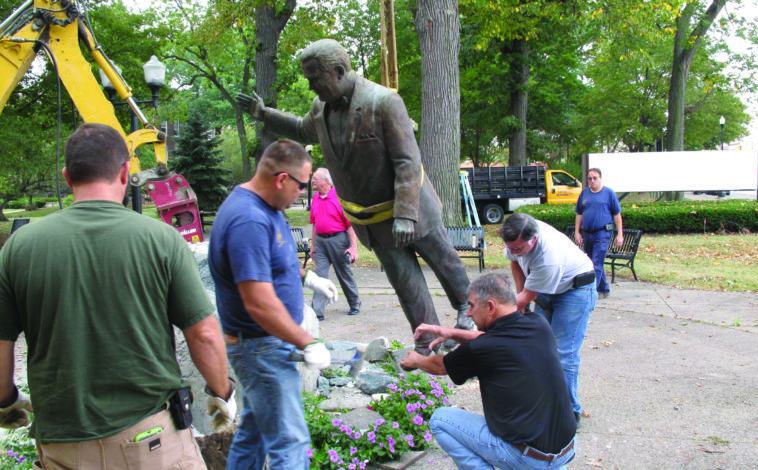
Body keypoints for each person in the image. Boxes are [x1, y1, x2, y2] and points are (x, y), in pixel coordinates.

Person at [0, 123, 236, 469]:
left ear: (68, 177)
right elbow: (202, 333)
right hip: (151, 443)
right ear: (125, 172)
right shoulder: (161, 240)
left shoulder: (19, 248)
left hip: (63, 447)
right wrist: (222, 393)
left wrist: (7, 400)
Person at [236, 38, 473, 354]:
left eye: (314, 78)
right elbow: (300, 129)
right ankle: (429, 342)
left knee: (446, 263)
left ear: (337, 71)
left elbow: (408, 162)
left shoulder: (384, 102)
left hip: (413, 211)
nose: (310, 86)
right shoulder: (320, 109)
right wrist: (263, 114)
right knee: (406, 283)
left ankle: (470, 314)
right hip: (373, 221)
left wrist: (404, 213)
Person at [207, 140, 338, 470]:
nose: (303, 194)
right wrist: (308, 341)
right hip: (259, 348)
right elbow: (259, 303)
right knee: (291, 442)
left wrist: (306, 279)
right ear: (282, 179)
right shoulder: (248, 219)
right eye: (301, 186)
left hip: (264, 346)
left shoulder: (269, 208)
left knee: (254, 436)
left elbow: (274, 265)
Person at [400, 273, 577, 470]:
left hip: (529, 458)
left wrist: (417, 360)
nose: (467, 314)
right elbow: (493, 338)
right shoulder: (538, 324)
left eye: (472, 306)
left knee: (440, 420)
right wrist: (452, 332)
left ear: (491, 307)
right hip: (566, 450)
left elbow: (441, 366)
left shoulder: (481, 349)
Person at [500, 213, 597, 423]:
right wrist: (520, 300)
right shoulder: (517, 235)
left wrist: (507, 310)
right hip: (548, 287)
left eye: (518, 249)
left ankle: (570, 413)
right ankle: (545, 402)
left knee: (563, 352)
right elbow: (515, 264)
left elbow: (526, 297)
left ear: (532, 240)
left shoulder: (548, 258)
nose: (514, 252)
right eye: (511, 248)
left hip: (576, 290)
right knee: (541, 347)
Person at [309, 168, 361, 320]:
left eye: (315, 178)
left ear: (326, 180)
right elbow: (314, 223)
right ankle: (317, 311)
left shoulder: (339, 198)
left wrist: (353, 248)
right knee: (320, 276)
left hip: (338, 240)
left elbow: (350, 224)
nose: (312, 181)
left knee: (343, 273)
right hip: (320, 241)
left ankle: (354, 303)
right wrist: (313, 245)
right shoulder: (315, 198)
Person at [575, 167, 623, 299]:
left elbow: (617, 214)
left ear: (600, 179)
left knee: (596, 262)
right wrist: (577, 231)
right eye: (590, 178)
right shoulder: (584, 194)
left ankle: (590, 293)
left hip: (602, 233)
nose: (592, 181)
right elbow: (579, 213)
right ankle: (604, 288)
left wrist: (620, 234)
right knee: (590, 262)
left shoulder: (609, 193)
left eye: (595, 178)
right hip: (587, 233)